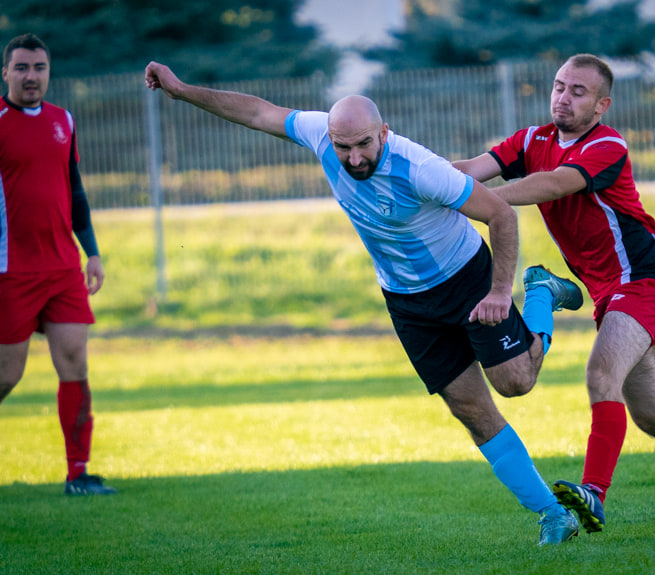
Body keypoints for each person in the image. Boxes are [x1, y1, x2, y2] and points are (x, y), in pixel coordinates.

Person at [144, 61, 585, 545]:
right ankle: (550, 513)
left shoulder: (421, 169)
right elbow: (258, 112)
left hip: (466, 280)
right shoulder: (321, 135)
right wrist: (183, 91)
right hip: (406, 299)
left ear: (384, 134)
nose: (354, 159)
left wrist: (502, 292)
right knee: (471, 410)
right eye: (343, 147)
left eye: (364, 145)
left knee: (516, 383)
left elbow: (500, 213)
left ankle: (538, 293)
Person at [454, 54, 655, 533]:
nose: (563, 97)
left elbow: (553, 185)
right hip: (605, 290)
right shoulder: (530, 139)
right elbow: (470, 169)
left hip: (643, 277)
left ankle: (593, 493)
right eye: (559, 86)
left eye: (578, 91)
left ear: (601, 105)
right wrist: (413, 179)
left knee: (600, 374)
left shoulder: (608, 144)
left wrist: (479, 200)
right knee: (654, 414)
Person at [0, 33, 116, 496]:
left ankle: (78, 473)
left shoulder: (62, 120)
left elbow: (75, 191)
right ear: (5, 73)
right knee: (7, 376)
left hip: (64, 268)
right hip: (11, 270)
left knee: (75, 364)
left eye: (40, 67)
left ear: (49, 72)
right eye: (22, 67)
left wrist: (92, 252)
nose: (32, 76)